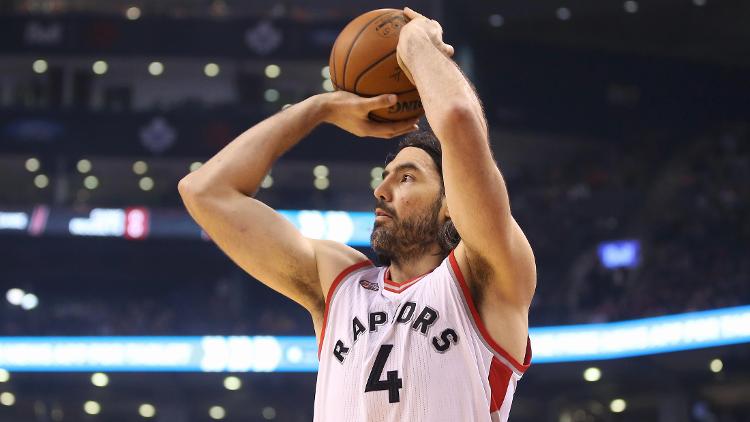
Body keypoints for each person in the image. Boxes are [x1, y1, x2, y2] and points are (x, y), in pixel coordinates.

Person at [178, 7, 535, 422]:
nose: (380, 191)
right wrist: (318, 108)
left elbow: (458, 120)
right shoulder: (340, 283)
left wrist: (418, 43)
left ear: (450, 204)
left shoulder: (485, 276)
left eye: (406, 178)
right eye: (384, 178)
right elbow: (205, 192)